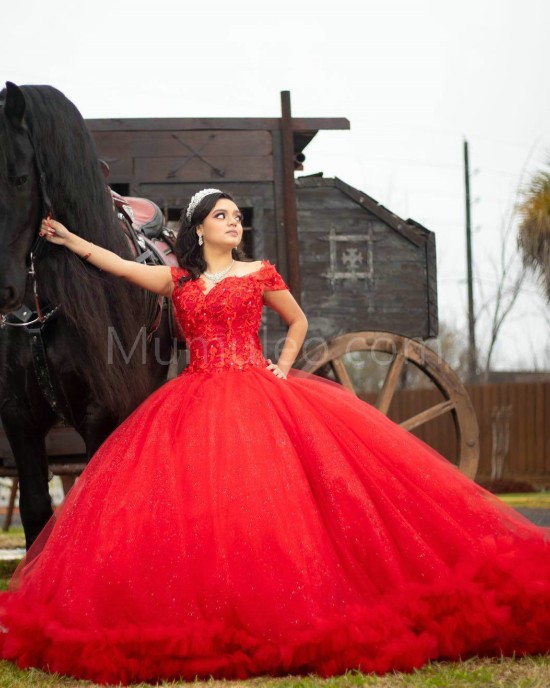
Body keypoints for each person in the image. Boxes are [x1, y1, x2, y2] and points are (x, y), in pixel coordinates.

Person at [0, 188, 548, 686]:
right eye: (222, 217)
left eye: (237, 217)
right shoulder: (180, 281)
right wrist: (70, 239)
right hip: (196, 401)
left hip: (259, 394)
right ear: (198, 230)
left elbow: (299, 321)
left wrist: (284, 366)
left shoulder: (260, 272)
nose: (233, 223)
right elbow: (118, 265)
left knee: (276, 497)